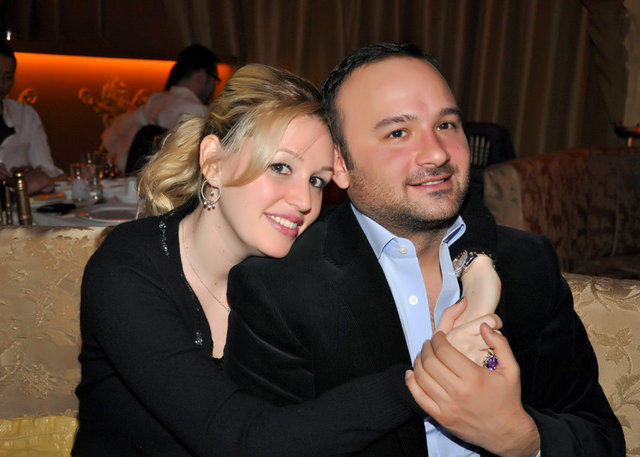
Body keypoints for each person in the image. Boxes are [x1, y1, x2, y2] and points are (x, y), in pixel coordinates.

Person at [73, 62, 502, 457]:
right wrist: (425, 379)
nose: (304, 201)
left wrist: (479, 273)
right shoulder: (127, 270)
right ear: (213, 162)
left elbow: (448, 209)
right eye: (280, 168)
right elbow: (239, 440)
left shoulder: (296, 250)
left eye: (316, 180)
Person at [224, 43, 625, 456]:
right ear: (340, 164)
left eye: (446, 124)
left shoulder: (526, 263)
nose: (436, 152)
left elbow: (601, 436)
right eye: (398, 132)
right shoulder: (280, 288)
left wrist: (523, 440)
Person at [101, 43, 220, 172]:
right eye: (215, 80)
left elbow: (115, 130)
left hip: (143, 178)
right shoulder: (198, 111)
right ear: (201, 76)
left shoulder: (155, 101)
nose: (214, 87)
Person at [0, 41, 62, 194]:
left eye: (8, 77)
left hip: (23, 203)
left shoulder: (25, 115)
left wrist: (29, 176)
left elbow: (47, 169)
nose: (1, 84)